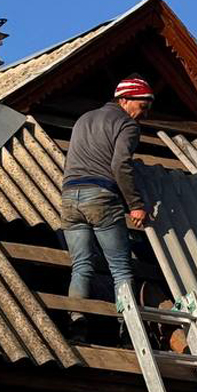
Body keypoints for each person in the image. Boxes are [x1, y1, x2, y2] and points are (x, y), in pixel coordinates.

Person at [59, 75, 153, 341]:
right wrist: (135, 205)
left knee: (81, 266)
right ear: (124, 100)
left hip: (70, 196)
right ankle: (128, 332)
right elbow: (120, 165)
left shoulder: (84, 119)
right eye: (141, 105)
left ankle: (76, 326)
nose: (143, 114)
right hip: (100, 196)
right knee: (121, 269)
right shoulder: (127, 125)